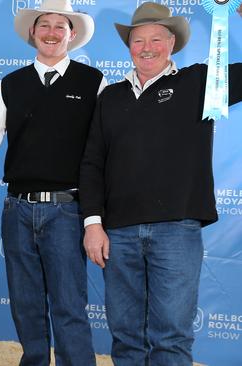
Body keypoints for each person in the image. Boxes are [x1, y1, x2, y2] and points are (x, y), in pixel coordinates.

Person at [79, 3, 242, 365]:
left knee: (170, 338)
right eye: (139, 40)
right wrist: (93, 223)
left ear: (172, 43)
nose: (147, 47)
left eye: (156, 39)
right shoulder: (110, 97)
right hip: (117, 233)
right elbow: (92, 164)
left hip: (177, 230)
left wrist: (239, 12)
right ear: (129, 46)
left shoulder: (200, 82)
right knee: (125, 338)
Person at [0, 0, 106, 364]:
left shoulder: (93, 82)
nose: (51, 33)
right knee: (26, 304)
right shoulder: (11, 84)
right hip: (17, 209)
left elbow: (105, 148)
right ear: (32, 32)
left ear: (72, 34)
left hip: (68, 209)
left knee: (69, 303)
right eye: (43, 25)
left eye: (59, 26)